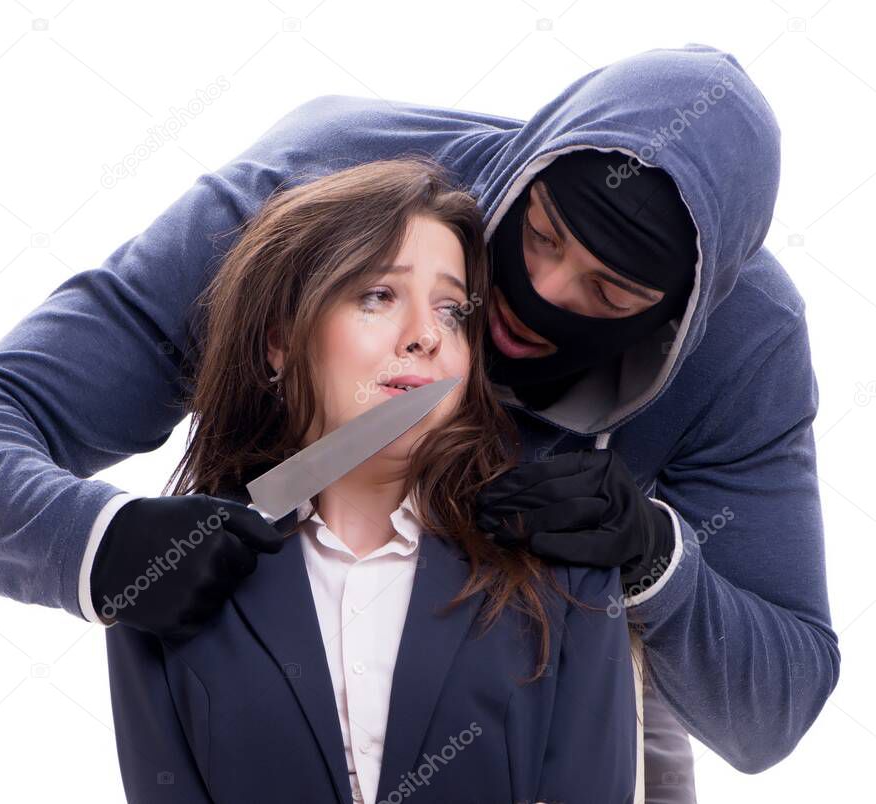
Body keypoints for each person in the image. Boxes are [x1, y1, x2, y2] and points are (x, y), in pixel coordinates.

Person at [0, 44, 839, 801]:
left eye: (607, 288)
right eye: (540, 237)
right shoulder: (303, 197)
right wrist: (100, 542)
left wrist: (653, 559)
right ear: (276, 340)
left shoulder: (746, 344)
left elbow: (775, 711)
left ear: (678, 317)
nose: (536, 294)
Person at [106, 157, 637, 804]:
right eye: (379, 296)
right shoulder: (165, 574)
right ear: (279, 340)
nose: (425, 337)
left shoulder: (562, 567)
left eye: (451, 310)